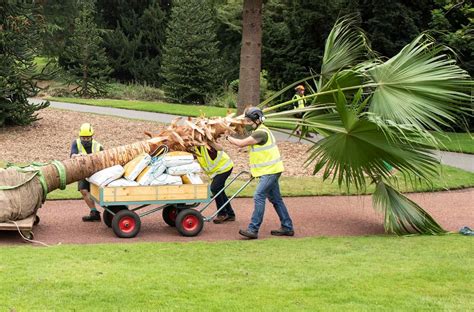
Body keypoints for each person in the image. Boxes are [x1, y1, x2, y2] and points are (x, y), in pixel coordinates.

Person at [226, 107, 294, 239]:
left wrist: (228, 138)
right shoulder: (260, 130)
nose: (247, 123)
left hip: (271, 171)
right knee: (276, 199)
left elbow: (241, 144)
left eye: (249, 121)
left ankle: (253, 229)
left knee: (259, 196)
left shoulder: (261, 133)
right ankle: (287, 227)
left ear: (257, 121)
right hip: (271, 170)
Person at [195, 142, 236, 224]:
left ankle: (222, 214)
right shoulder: (195, 147)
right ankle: (230, 214)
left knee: (214, 188)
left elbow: (220, 148)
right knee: (219, 190)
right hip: (217, 171)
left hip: (224, 168)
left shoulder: (207, 143)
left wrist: (208, 141)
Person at [70, 123, 104, 222]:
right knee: (84, 190)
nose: (85, 140)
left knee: (100, 192)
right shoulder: (76, 143)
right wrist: (77, 155)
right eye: (83, 138)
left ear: (92, 136)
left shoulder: (98, 146)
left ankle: (111, 210)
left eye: (87, 138)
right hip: (82, 172)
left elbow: (103, 160)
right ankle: (94, 212)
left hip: (96, 172)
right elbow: (72, 155)